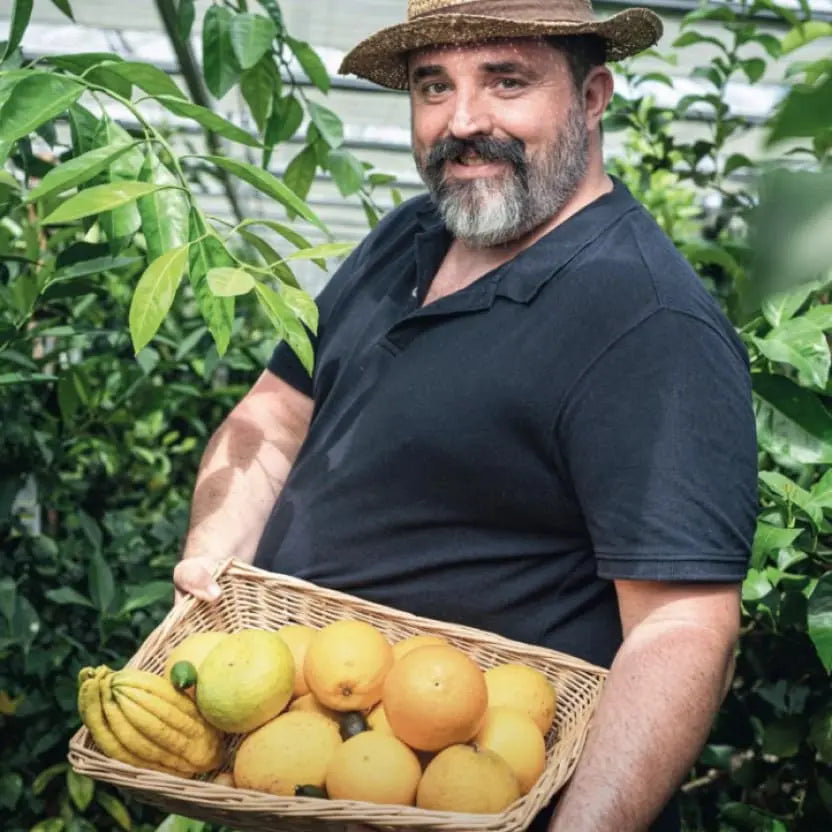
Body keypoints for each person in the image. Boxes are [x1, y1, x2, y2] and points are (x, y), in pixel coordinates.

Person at [173, 1, 758, 830]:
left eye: (506, 81)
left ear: (593, 96)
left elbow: (680, 628)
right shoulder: (409, 234)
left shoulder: (643, 320)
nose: (464, 122)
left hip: (468, 789)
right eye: (433, 87)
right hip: (306, 756)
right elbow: (275, 413)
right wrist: (211, 562)